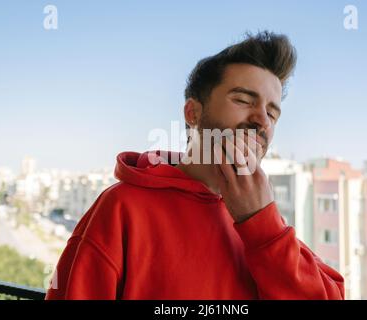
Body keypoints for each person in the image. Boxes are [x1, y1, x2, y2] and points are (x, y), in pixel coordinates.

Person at [45, 31, 345, 300]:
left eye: (272, 112)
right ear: (192, 113)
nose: (262, 120)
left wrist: (261, 224)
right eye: (243, 100)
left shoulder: (265, 223)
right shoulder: (122, 207)